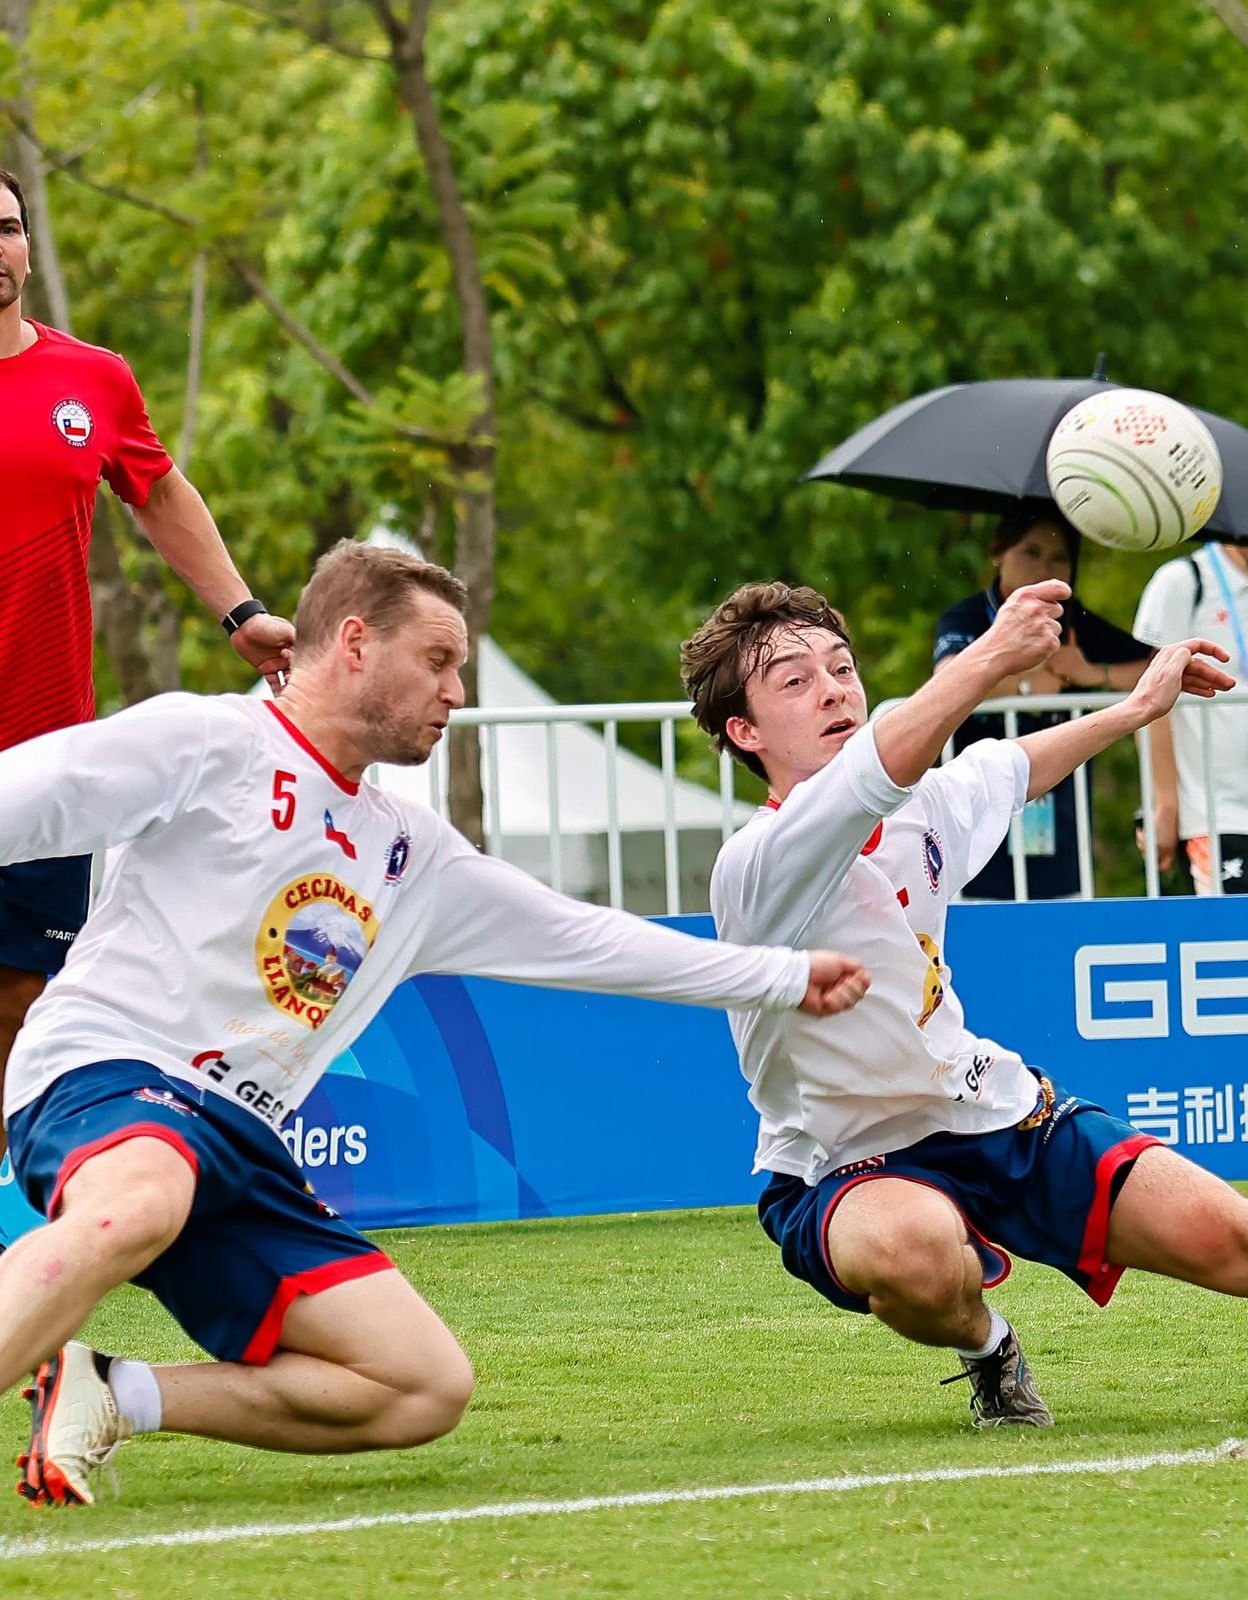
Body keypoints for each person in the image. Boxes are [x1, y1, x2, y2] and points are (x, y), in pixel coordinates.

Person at [0, 542, 871, 1508]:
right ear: (356, 644)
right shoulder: (205, 742)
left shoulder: (412, 853)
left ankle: (111, 1392)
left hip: (238, 1140)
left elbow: (588, 940)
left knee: (419, 1385)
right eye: (440, 660)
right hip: (105, 1071)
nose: (457, 690)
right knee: (140, 1202)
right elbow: (17, 802)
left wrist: (779, 976)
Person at [678, 575, 1248, 1430]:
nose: (834, 690)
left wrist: (1138, 708)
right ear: (745, 731)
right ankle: (989, 1348)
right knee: (920, 1256)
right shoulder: (758, 863)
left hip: (992, 1110)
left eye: (842, 668)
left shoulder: (922, 806)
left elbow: (1012, 767)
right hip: (842, 1159)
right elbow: (879, 766)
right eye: (796, 681)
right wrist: (995, 652)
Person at [0, 168, 294, 1176]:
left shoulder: (93, 379)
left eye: (7, 228)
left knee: (21, 1000)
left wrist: (242, 613)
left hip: (47, 752)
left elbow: (160, 492)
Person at [932, 506, 1152, 898]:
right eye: (1031, 552)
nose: (1044, 568)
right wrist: (1026, 685)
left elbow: (1157, 667)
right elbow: (946, 678)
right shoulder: (966, 617)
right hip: (974, 838)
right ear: (998, 551)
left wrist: (1092, 674)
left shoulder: (1076, 622)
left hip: (1062, 834)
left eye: (1058, 558)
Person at [1133, 540, 1248, 894]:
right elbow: (1150, 701)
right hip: (1216, 813)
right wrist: (1164, 804)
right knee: (1239, 929)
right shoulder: (1183, 580)